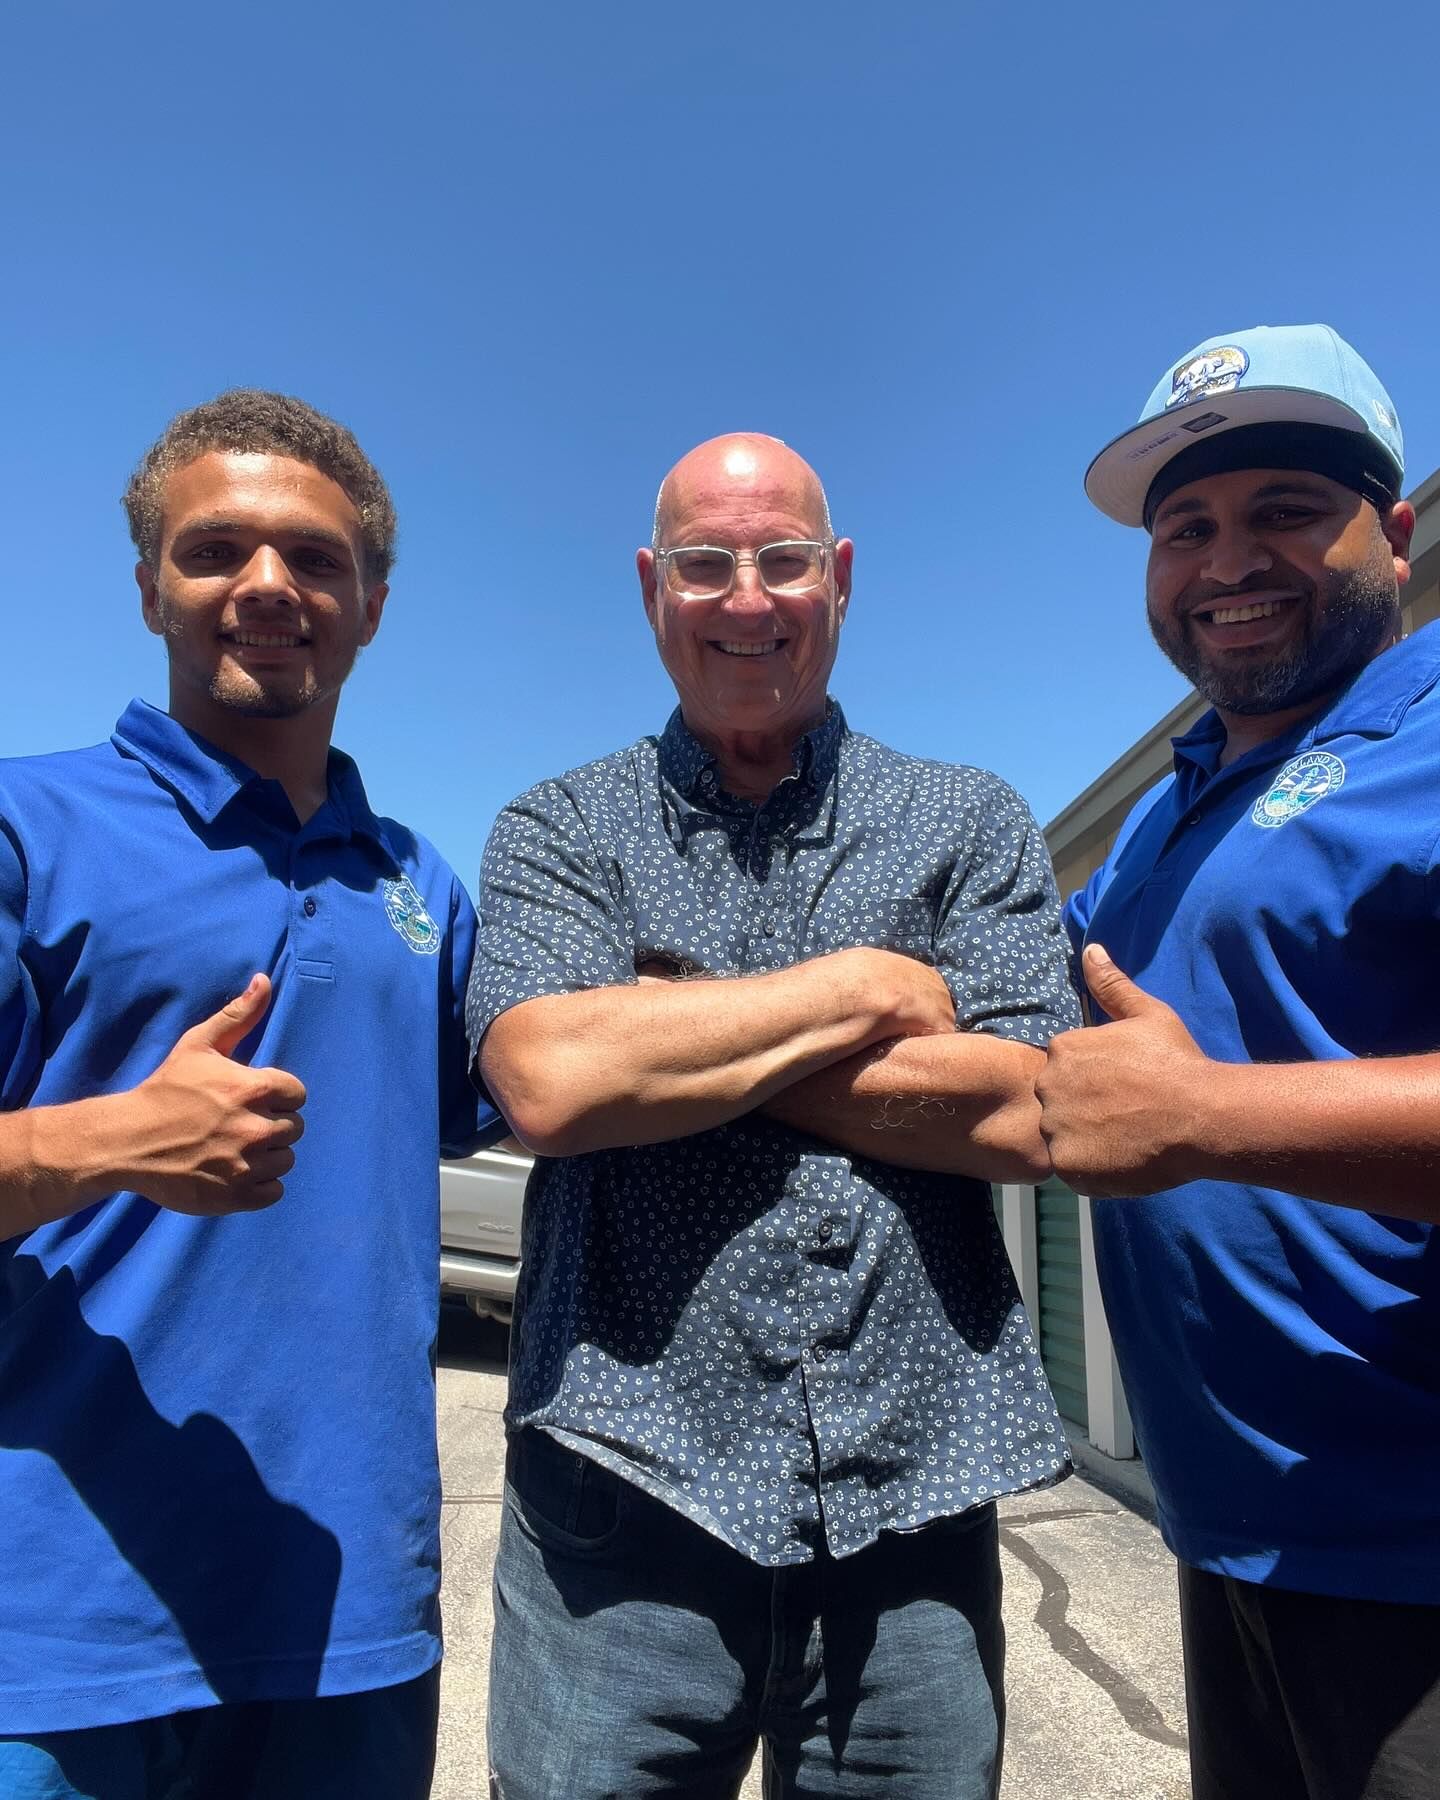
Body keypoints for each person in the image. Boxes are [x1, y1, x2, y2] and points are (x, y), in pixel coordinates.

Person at [470, 433, 1078, 1799]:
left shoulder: (968, 821)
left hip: (913, 1497)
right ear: (651, 588)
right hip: (621, 1494)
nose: (747, 599)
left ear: (839, 577)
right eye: (705, 564)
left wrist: (668, 1032)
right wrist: (869, 989)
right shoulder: (558, 828)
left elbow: (1028, 1109)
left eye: (783, 559)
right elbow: (551, 1083)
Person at [0, 391, 494, 1799]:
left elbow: (556, 1092)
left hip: (351, 1621)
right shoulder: (29, 826)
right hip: (55, 1631)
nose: (269, 586)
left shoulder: (417, 884)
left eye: (315, 559)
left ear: (372, 606)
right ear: (152, 583)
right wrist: (104, 1139)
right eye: (217, 551)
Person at [1037, 325, 1440, 1799]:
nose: (1227, 562)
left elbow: (1171, 1112)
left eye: (1284, 509)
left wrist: (1209, 1115)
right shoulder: (1165, 810)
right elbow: (1026, 1047)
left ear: (1392, 534)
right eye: (1186, 528)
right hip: (1234, 1538)